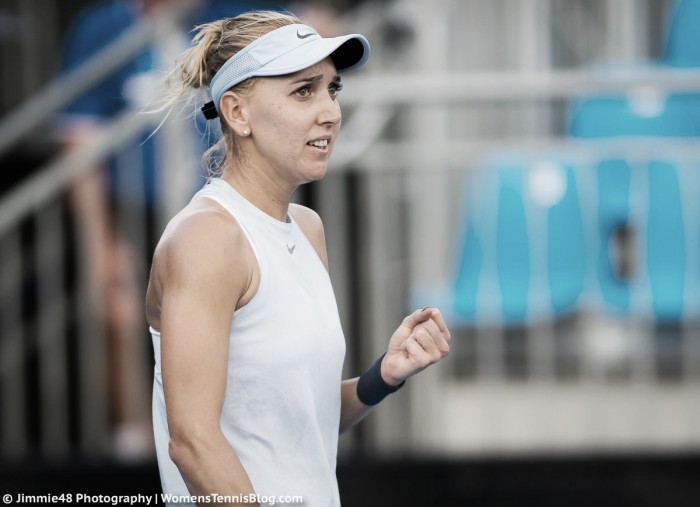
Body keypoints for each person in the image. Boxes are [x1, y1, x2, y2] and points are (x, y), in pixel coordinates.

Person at [145, 10, 451, 505]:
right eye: (303, 91)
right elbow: (193, 443)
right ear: (236, 113)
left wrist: (382, 376)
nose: (330, 111)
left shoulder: (308, 228)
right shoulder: (205, 238)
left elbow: (299, 421)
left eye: (332, 89)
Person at [59, 0, 281, 459]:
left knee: (235, 320)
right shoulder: (104, 27)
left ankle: (227, 438)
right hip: (135, 207)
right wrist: (100, 244)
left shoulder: (232, 12)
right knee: (125, 314)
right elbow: (78, 138)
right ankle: (137, 443)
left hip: (221, 202)